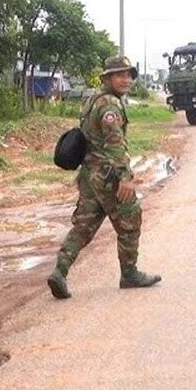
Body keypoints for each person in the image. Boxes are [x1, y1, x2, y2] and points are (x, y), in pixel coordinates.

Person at [47, 56, 161, 300]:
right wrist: (125, 177)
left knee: (83, 227)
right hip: (108, 177)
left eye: (129, 75)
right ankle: (129, 274)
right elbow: (114, 143)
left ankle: (59, 271)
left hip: (89, 176)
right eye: (120, 75)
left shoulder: (93, 100)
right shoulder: (110, 106)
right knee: (130, 220)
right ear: (107, 78)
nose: (126, 80)